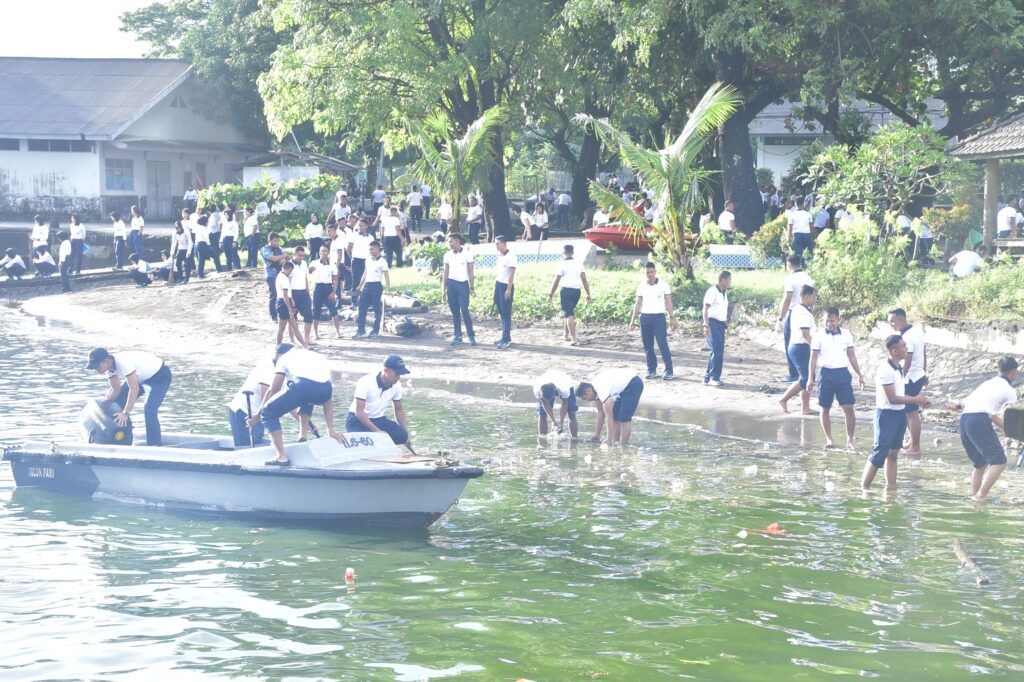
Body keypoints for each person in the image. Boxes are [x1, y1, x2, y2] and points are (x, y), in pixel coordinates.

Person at [251, 344, 342, 466]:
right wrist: (330, 430)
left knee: (269, 413)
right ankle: (302, 435)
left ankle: (281, 457)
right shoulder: (313, 356)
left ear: (279, 355)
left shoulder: (283, 358)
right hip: (326, 389)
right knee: (307, 398)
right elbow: (328, 401)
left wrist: (258, 415)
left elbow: (274, 389)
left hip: (304, 386)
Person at [861, 335, 930, 491]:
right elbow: (892, 398)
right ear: (895, 351)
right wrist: (915, 399)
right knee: (878, 454)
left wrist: (917, 400)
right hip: (886, 415)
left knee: (893, 453)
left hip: (899, 414)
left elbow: (899, 394)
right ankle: (864, 489)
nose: (907, 349)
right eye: (904, 346)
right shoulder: (885, 370)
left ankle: (891, 489)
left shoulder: (898, 367)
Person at [959, 356, 1019, 501]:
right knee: (999, 461)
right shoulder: (1009, 391)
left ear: (999, 369)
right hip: (979, 420)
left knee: (980, 464)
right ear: (1013, 372)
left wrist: (1010, 432)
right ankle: (981, 496)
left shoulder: (988, 383)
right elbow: (1013, 418)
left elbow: (992, 416)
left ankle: (975, 497)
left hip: (964, 419)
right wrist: (1017, 434)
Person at [86, 347, 172, 447]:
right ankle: (118, 436)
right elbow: (115, 390)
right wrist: (103, 406)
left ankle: (154, 446)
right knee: (116, 403)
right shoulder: (108, 368)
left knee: (149, 410)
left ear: (107, 361)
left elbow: (134, 389)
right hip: (140, 378)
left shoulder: (123, 363)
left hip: (159, 377)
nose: (96, 370)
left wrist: (125, 413)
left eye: (97, 366)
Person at [806, 306, 865, 449]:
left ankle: (850, 439)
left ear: (839, 320)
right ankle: (829, 439)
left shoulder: (846, 335)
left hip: (843, 373)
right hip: (826, 373)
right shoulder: (818, 336)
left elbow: (851, 355)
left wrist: (859, 374)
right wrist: (810, 378)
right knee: (824, 407)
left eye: (832, 321)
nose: (829, 324)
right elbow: (813, 358)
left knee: (848, 407)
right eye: (826, 321)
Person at [346, 355, 414, 450]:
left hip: (378, 419)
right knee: (360, 443)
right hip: (357, 420)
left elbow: (399, 410)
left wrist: (406, 435)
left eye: (400, 374)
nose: (398, 377)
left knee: (402, 435)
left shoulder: (397, 386)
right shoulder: (365, 382)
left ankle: (376, 444)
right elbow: (359, 412)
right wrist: (377, 432)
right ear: (386, 370)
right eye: (396, 374)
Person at [888, 307, 927, 457]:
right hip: (918, 375)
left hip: (910, 377)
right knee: (909, 411)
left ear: (902, 319)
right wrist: (924, 372)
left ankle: (915, 447)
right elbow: (924, 352)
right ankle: (912, 442)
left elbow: (908, 359)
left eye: (893, 321)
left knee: (911, 412)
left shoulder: (907, 337)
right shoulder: (916, 331)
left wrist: (899, 378)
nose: (891, 324)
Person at [630, 262, 677, 380]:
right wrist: (633, 320)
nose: (650, 274)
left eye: (651, 272)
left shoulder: (664, 285)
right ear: (645, 272)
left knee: (662, 343)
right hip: (645, 318)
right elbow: (638, 302)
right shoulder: (641, 285)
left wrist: (672, 317)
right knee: (647, 345)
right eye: (647, 272)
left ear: (655, 272)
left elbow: (668, 301)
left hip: (659, 318)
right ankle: (652, 369)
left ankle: (669, 370)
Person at [577, 369, 644, 445]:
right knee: (616, 417)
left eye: (585, 398)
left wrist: (608, 439)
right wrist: (597, 434)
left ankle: (624, 447)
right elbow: (600, 412)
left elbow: (609, 416)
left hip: (633, 384)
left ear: (588, 391)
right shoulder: (593, 388)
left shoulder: (601, 390)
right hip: (622, 389)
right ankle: (615, 442)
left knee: (624, 418)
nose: (587, 400)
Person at [778, 285, 817, 414]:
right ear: (806, 296)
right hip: (800, 347)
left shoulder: (799, 309)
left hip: (798, 346)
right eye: (813, 296)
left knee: (807, 376)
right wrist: (817, 348)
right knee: (806, 378)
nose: (815, 299)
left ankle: (805, 408)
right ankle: (783, 399)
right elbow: (806, 334)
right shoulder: (803, 312)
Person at [776, 255, 814, 382]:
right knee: (806, 341)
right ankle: (805, 372)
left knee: (790, 342)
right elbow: (812, 297)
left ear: (789, 265)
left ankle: (794, 373)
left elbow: (787, 300)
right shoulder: (808, 278)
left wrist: (780, 318)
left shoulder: (790, 279)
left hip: (794, 311)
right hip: (807, 310)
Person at [227, 357, 276, 448]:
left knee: (256, 443)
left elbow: (290, 405)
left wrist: (307, 427)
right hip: (243, 412)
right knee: (245, 448)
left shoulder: (284, 374)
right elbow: (266, 400)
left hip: (258, 415)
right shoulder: (268, 368)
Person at [548, 244, 591, 345]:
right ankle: (565, 335)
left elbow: (556, 281)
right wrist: (588, 293)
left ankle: (574, 338)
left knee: (569, 315)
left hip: (566, 291)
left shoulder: (562, 265)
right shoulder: (579, 264)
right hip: (577, 291)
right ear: (573, 252)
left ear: (564, 253)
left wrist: (551, 294)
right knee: (568, 313)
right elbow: (584, 280)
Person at [441, 233, 476, 346]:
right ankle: (458, 336)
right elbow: (445, 272)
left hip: (462, 284)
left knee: (464, 309)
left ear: (457, 241)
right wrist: (443, 289)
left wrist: (472, 287)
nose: (449, 243)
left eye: (451, 241)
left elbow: (471, 271)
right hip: (451, 284)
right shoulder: (447, 255)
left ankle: (471, 336)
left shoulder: (467, 254)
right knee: (455, 311)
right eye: (448, 241)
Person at [353, 240, 390, 339]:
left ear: (378, 249)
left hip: (376, 285)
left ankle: (375, 330)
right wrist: (359, 286)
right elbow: (365, 273)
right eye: (369, 249)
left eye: (372, 249)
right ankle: (360, 330)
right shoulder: (368, 259)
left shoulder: (383, 261)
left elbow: (386, 275)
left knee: (376, 309)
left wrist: (388, 289)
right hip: (367, 285)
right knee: (362, 307)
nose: (371, 251)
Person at [702, 270, 731, 386]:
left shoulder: (724, 292)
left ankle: (707, 377)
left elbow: (722, 311)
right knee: (717, 350)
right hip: (712, 323)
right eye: (729, 279)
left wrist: (727, 327)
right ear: (723, 280)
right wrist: (706, 325)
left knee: (717, 350)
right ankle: (714, 377)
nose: (730, 282)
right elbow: (705, 309)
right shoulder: (712, 291)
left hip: (720, 324)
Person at [310, 245, 343, 340]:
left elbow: (335, 280)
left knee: (333, 311)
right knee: (316, 311)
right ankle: (315, 333)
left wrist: (333, 292)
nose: (322, 253)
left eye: (324, 251)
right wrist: (311, 269)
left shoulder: (332, 265)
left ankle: (338, 332)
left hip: (328, 288)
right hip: (318, 288)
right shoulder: (314, 262)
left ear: (328, 253)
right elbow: (309, 271)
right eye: (321, 251)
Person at [534, 370, 579, 437]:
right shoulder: (537, 389)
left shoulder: (564, 388)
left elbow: (564, 404)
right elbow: (545, 404)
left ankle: (574, 439)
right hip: (547, 386)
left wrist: (561, 423)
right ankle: (542, 439)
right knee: (542, 413)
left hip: (566, 382)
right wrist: (553, 421)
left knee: (571, 412)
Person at [274, 260, 305, 347]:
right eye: (290, 271)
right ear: (288, 269)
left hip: (283, 302)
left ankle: (304, 344)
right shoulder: (283, 279)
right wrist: (290, 309)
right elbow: (285, 296)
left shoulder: (281, 276)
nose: (290, 273)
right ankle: (278, 346)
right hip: (283, 303)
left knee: (293, 326)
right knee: (283, 328)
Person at [493, 235, 517, 348]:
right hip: (498, 284)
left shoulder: (511, 256)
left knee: (506, 313)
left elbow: (512, 274)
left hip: (506, 286)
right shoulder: (500, 256)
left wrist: (509, 289)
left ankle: (505, 339)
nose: (496, 246)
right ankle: (505, 336)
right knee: (501, 311)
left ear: (504, 243)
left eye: (497, 243)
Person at [347, 217, 374, 309]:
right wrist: (352, 258)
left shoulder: (370, 237)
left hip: (366, 260)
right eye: (358, 225)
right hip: (356, 260)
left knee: (368, 280)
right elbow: (349, 247)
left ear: (366, 226)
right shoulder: (354, 235)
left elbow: (372, 250)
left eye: (361, 225)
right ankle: (354, 302)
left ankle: (367, 302)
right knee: (355, 280)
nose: (360, 227)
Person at [261, 232, 288, 321]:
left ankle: (282, 313)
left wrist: (283, 258)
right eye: (275, 241)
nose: (277, 243)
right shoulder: (265, 249)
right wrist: (283, 256)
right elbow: (273, 258)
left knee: (283, 293)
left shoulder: (279, 248)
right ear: (270, 241)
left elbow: (284, 260)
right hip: (271, 275)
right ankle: (273, 315)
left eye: (278, 241)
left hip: (281, 274)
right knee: (274, 295)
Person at [290, 246, 314, 347]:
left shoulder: (304, 263)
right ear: (294, 255)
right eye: (299, 255)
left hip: (303, 292)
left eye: (303, 256)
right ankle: (292, 340)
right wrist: (290, 298)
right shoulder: (289, 265)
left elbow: (305, 278)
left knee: (309, 316)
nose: (301, 258)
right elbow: (287, 282)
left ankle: (307, 338)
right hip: (293, 293)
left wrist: (308, 293)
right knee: (292, 318)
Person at [207, 203, 223, 272]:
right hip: (214, 233)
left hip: (213, 234)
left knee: (215, 251)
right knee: (215, 251)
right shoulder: (215, 214)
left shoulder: (214, 215)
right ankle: (218, 267)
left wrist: (208, 223)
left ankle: (218, 268)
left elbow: (213, 225)